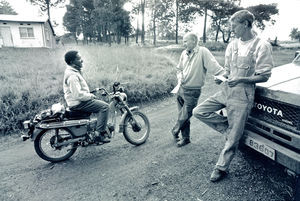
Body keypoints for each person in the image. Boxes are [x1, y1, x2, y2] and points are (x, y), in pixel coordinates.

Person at [193, 10, 274, 182]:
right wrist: (222, 77)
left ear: (245, 24)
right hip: (226, 91)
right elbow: (228, 70)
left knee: (232, 139)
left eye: (233, 25)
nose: (231, 30)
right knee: (198, 111)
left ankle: (221, 167)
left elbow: (265, 76)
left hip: (243, 94)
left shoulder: (262, 45)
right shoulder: (232, 45)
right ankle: (233, 132)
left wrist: (241, 79)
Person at [171, 33, 223, 147]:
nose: (183, 43)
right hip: (180, 88)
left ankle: (175, 130)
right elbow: (179, 68)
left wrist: (225, 76)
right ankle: (186, 138)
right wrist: (179, 76)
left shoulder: (203, 51)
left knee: (186, 114)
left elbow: (216, 68)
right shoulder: (184, 53)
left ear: (194, 41)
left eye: (185, 41)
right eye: (183, 41)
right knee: (183, 114)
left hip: (193, 91)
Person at [63, 50, 110, 143]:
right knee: (104, 107)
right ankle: (99, 134)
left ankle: (91, 130)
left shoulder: (73, 71)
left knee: (98, 104)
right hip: (78, 103)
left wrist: (89, 94)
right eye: (79, 59)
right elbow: (77, 95)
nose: (82, 60)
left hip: (77, 101)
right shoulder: (72, 75)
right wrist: (90, 96)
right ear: (72, 62)